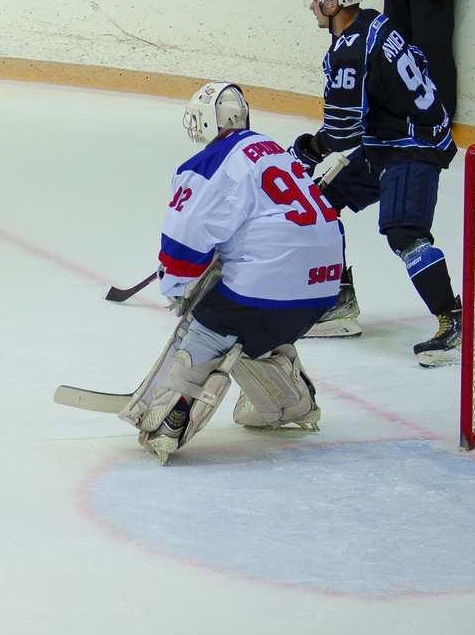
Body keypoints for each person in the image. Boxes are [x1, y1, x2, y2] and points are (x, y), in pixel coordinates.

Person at [113, 83, 337, 462]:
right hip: (323, 290)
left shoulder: (209, 162)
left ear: (201, 122)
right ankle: (289, 401)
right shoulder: (276, 152)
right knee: (253, 329)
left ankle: (170, 416)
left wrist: (177, 286)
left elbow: (187, 233)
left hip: (264, 289)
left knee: (207, 325)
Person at [297, 0, 463, 364]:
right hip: (393, 137)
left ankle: (453, 321)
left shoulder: (352, 52)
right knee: (322, 201)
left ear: (335, 2)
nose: (312, 6)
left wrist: (306, 151)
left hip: (412, 143)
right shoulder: (373, 22)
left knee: (405, 233)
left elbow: (341, 132)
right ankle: (339, 299)